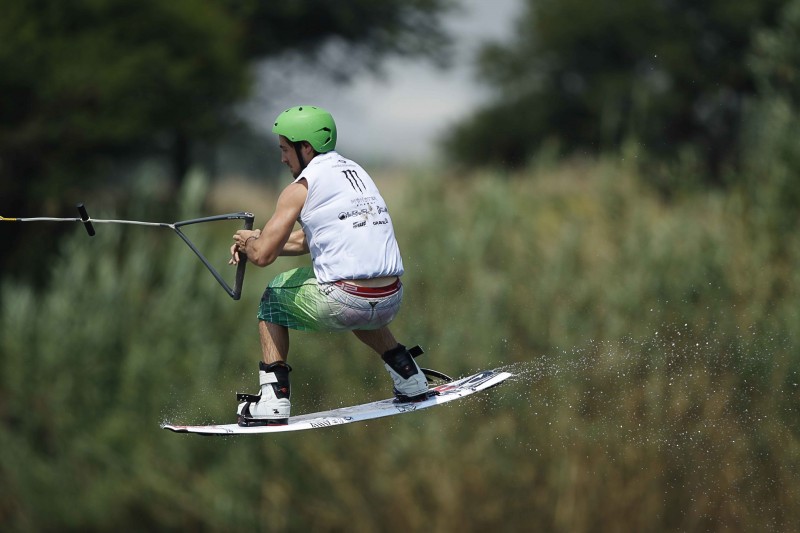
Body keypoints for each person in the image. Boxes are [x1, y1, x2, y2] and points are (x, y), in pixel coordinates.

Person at [229, 105, 428, 426]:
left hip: (345, 300)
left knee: (272, 297)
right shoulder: (356, 174)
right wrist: (260, 238)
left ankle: (273, 401)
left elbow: (263, 256)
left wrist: (249, 241)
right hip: (390, 299)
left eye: (284, 149)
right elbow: (306, 241)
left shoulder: (299, 189)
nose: (282, 158)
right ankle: (408, 375)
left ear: (305, 147)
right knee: (360, 302)